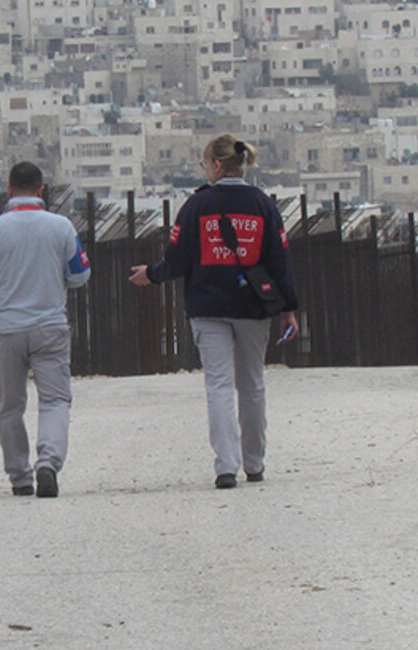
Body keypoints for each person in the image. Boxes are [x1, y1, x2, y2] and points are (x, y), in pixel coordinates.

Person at [129, 134, 300, 490]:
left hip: (207, 308)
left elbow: (176, 259)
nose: (204, 170)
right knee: (252, 384)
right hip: (253, 307)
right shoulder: (263, 205)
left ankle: (226, 466)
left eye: (205, 163)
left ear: (217, 165)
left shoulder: (196, 206)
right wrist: (289, 307)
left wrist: (151, 275)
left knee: (219, 384)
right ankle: (254, 462)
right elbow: (281, 260)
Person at [0, 162, 92, 498]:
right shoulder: (61, 227)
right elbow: (80, 274)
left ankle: (19, 476)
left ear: (9, 190)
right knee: (54, 400)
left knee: (10, 405)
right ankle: (48, 462)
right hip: (49, 325)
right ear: (41, 191)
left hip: (7, 329)